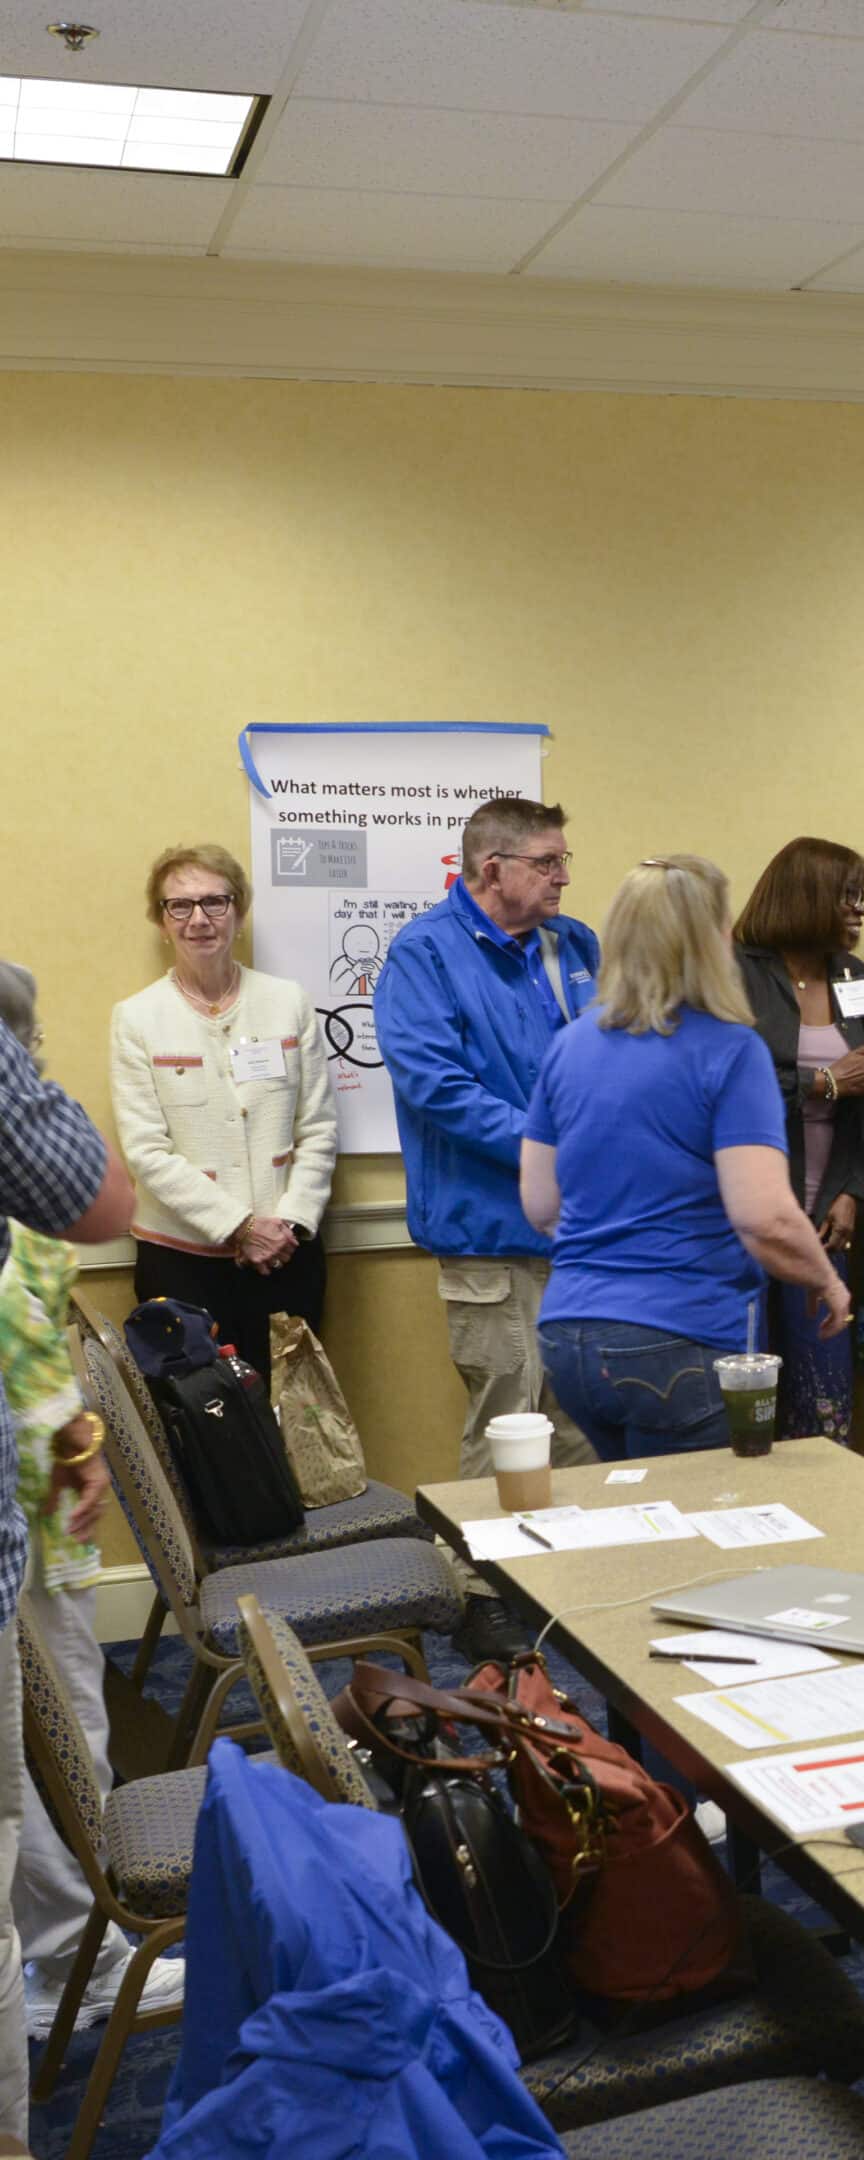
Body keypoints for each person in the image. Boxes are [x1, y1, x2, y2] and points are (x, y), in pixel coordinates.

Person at [520, 857, 851, 1460]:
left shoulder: (568, 1047)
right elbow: (764, 1216)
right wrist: (825, 1279)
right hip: (681, 1336)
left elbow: (540, 1204)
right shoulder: (731, 1051)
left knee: (630, 1506)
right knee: (699, 1514)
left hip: (569, 1336)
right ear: (712, 941)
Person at [378, 796, 599, 1656]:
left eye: (564, 860)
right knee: (509, 1412)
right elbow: (435, 1087)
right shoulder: (426, 953)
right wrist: (549, 1147)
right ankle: (480, 1591)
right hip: (488, 1232)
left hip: (580, 1231)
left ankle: (563, 1580)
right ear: (490, 868)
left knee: (576, 1413)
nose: (564, 876)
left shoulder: (575, 945)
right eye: (548, 862)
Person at [0, 963, 171, 2044]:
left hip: (30, 1478)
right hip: (27, 1490)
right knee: (61, 1729)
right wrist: (76, 1442)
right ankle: (82, 1959)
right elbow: (21, 1335)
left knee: (54, 1728)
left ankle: (65, 1948)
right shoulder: (18, 1175)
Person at [107, 844, 337, 1376]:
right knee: (200, 1415)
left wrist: (288, 1223)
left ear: (240, 911)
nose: (199, 919)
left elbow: (319, 1127)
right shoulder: (137, 1018)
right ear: (161, 922)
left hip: (286, 1254)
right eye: (180, 906)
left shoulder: (287, 1002)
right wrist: (239, 1227)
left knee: (292, 1408)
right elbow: (146, 1150)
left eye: (215, 901)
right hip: (181, 1264)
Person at [733, 838, 864, 1444]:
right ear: (805, 896)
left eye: (862, 895)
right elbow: (721, 1086)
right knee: (746, 1397)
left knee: (824, 1403)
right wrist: (823, 1082)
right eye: (847, 896)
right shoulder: (734, 973)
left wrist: (853, 1190)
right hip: (747, 1221)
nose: (860, 909)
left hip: (826, 1219)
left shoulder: (852, 975)